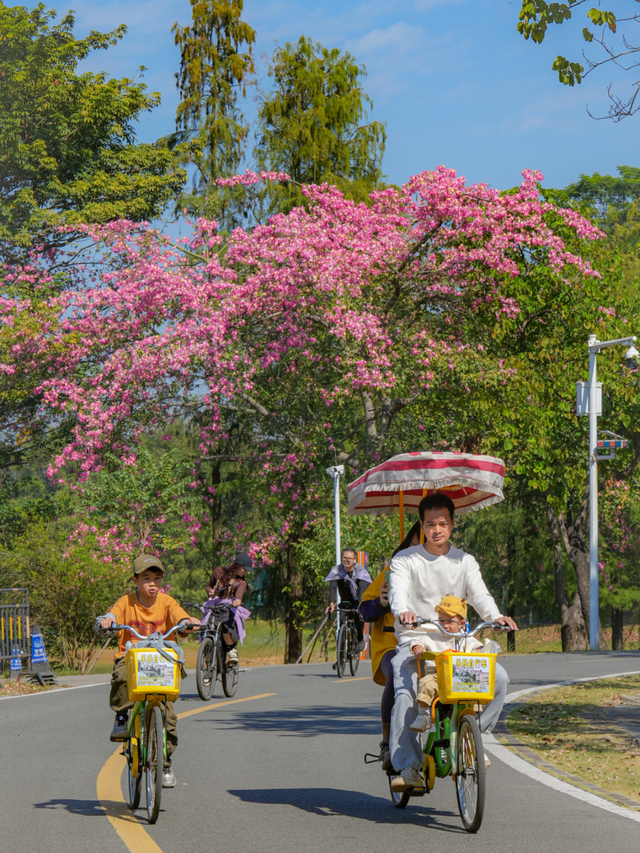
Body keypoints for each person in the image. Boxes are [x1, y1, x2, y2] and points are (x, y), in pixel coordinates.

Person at [388, 492, 517, 792]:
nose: (437, 530)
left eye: (443, 523)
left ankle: (473, 739)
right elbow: (398, 593)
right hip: (417, 643)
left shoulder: (464, 561)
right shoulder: (405, 559)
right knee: (406, 694)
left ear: (452, 524)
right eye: (430, 524)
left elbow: (480, 595)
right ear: (421, 525)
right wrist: (403, 611)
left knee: (499, 679)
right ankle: (408, 766)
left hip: (457, 644)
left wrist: (495, 616)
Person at [96, 554, 200, 788]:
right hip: (132, 659)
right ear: (135, 580)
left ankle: (165, 762)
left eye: (157, 578)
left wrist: (187, 622)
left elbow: (180, 617)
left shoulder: (167, 602)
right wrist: (108, 620)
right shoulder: (127, 602)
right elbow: (113, 614)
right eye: (146, 578)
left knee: (167, 714)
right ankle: (122, 716)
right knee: (121, 675)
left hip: (162, 660)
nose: (152, 583)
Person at [360, 521, 421, 771]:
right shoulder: (391, 571)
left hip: (428, 644)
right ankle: (387, 742)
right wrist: (382, 602)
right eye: (414, 546)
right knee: (397, 675)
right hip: (391, 645)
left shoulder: (441, 573)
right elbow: (365, 610)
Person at [409, 594, 482, 732]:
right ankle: (423, 715)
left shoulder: (465, 638)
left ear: (461, 623)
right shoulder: (432, 636)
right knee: (426, 683)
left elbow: (476, 646)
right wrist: (417, 647)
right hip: (437, 676)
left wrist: (478, 652)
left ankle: (471, 716)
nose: (444, 625)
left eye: (449, 621)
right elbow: (418, 641)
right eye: (441, 620)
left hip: (461, 678)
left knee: (476, 686)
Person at [204, 552, 252, 663]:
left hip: (228, 606)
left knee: (226, 624)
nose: (245, 572)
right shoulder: (218, 572)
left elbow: (239, 595)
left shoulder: (241, 582)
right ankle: (207, 654)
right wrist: (210, 591)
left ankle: (231, 650)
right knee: (208, 626)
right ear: (240, 567)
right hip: (214, 605)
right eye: (245, 569)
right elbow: (208, 585)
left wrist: (237, 601)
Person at [325, 547, 371, 651]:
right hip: (345, 601)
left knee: (358, 617)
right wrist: (331, 603)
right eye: (344, 558)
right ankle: (341, 655)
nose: (346, 560)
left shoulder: (361, 572)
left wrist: (360, 605)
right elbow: (332, 587)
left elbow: (362, 589)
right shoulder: (336, 571)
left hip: (357, 600)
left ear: (354, 559)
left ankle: (360, 638)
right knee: (342, 622)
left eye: (349, 558)